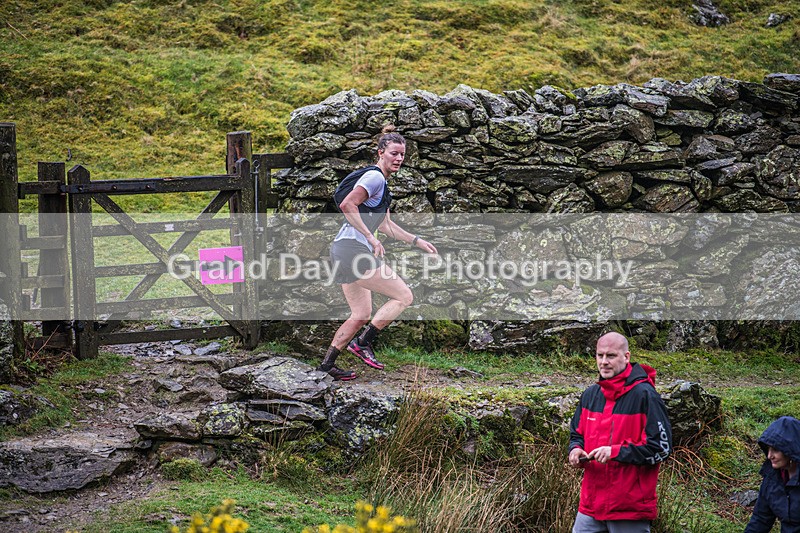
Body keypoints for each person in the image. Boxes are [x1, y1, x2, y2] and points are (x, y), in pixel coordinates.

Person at [317, 125, 437, 381]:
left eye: (402, 155)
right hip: (352, 250)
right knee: (404, 296)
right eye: (394, 153)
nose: (399, 159)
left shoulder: (382, 186)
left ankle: (326, 366)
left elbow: (387, 226)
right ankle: (362, 344)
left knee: (360, 314)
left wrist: (417, 241)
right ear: (380, 153)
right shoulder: (375, 178)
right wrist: (371, 238)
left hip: (344, 249)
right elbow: (347, 204)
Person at [568, 332, 672, 533]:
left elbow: (662, 448)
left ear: (626, 357)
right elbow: (576, 435)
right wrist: (575, 450)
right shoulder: (590, 394)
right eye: (600, 355)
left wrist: (615, 452)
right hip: (590, 505)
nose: (604, 362)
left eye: (611, 356)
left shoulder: (646, 396)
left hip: (629, 508)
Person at [745, 415, 800, 532]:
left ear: (789, 449)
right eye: (768, 449)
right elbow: (760, 519)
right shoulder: (771, 478)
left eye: (775, 449)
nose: (770, 456)